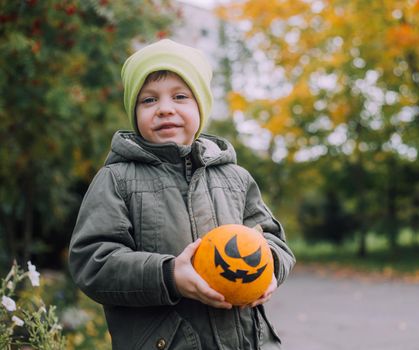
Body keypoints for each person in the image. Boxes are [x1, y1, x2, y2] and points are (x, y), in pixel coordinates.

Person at [68, 39, 295, 350]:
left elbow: (273, 240)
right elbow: (93, 263)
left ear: (201, 106)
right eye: (148, 100)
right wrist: (169, 275)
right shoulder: (117, 180)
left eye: (180, 96)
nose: (165, 108)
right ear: (134, 113)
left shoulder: (236, 178)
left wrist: (268, 268)